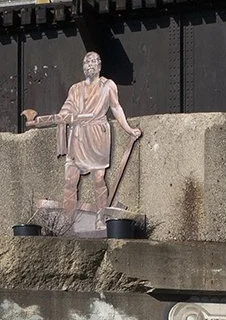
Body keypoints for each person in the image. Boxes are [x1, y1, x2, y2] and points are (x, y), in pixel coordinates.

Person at [22, 51, 142, 215]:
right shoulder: (75, 89)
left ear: (99, 65)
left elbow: (116, 108)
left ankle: (101, 217)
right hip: (77, 135)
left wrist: (129, 129)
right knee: (70, 179)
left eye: (93, 61)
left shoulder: (108, 86)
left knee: (98, 178)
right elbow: (67, 108)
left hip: (97, 133)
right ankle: (68, 219)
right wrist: (55, 118)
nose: (90, 64)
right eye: (87, 62)